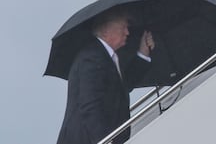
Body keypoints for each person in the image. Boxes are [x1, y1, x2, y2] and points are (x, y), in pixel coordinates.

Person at [57, 9, 155, 144]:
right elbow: (90, 104)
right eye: (124, 27)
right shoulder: (91, 57)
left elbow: (122, 87)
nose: (127, 32)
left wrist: (143, 53)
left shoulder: (106, 56)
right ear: (106, 29)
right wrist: (105, 140)